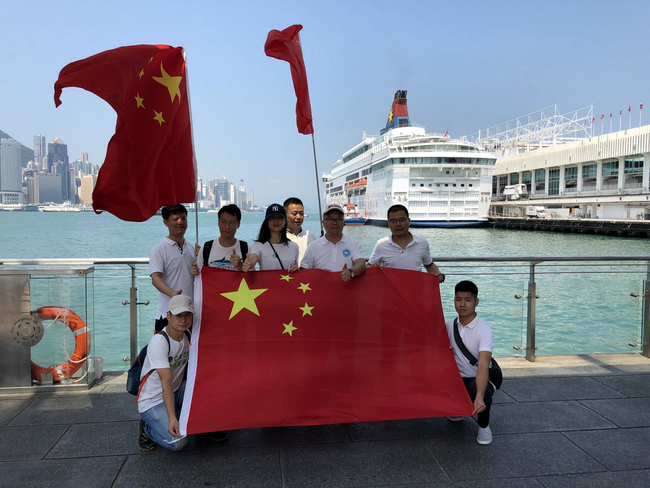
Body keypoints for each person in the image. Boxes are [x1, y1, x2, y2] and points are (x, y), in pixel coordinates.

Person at [137, 294, 193, 451]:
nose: (183, 320)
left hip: (175, 391)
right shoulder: (159, 342)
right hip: (153, 400)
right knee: (177, 443)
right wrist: (172, 418)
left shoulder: (187, 335)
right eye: (178, 315)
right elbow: (166, 382)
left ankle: (174, 414)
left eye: (187, 315)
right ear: (168, 316)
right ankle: (147, 429)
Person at [446, 280, 495, 445]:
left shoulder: (484, 329)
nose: (462, 304)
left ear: (476, 302)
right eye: (458, 299)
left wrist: (479, 396)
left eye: (467, 300)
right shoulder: (448, 326)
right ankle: (457, 409)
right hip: (456, 379)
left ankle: (484, 426)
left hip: (478, 377)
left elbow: (483, 364)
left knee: (479, 389)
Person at [149, 204, 199, 333]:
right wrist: (173, 294)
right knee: (166, 351)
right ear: (165, 222)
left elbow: (194, 276)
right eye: (175, 219)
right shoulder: (159, 249)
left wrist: (199, 261)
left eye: (183, 218)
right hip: (168, 313)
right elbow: (155, 278)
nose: (180, 222)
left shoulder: (191, 248)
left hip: (189, 312)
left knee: (190, 351)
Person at [368, 204, 444, 281]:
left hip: (415, 290)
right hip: (390, 291)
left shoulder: (422, 242)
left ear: (409, 221)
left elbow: (429, 265)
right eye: (393, 221)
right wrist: (374, 268)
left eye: (402, 220)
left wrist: (439, 276)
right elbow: (369, 268)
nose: (398, 224)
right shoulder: (381, 244)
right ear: (388, 224)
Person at [301, 204, 366, 281]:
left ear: (343, 222)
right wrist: (317, 273)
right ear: (323, 223)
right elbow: (303, 270)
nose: (334, 222)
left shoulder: (353, 244)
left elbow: (361, 264)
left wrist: (350, 272)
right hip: (321, 290)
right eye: (330, 219)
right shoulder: (313, 246)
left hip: (347, 290)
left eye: (338, 219)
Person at [242, 204, 299, 271]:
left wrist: (295, 270)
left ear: (285, 221)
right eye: (272, 218)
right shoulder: (259, 245)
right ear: (267, 221)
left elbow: (295, 270)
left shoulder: (294, 246)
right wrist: (249, 263)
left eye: (280, 218)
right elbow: (253, 257)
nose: (276, 221)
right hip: (267, 281)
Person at [196, 204, 248, 271]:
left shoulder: (245, 249)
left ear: (238, 225)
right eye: (223, 222)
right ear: (218, 223)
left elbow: (251, 278)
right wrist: (194, 271)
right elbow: (199, 277)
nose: (227, 227)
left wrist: (240, 266)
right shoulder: (206, 248)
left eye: (231, 222)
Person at [284, 197, 316, 266]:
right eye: (294, 213)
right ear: (285, 215)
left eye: (301, 213)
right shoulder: (280, 237)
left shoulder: (310, 236)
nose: (298, 217)